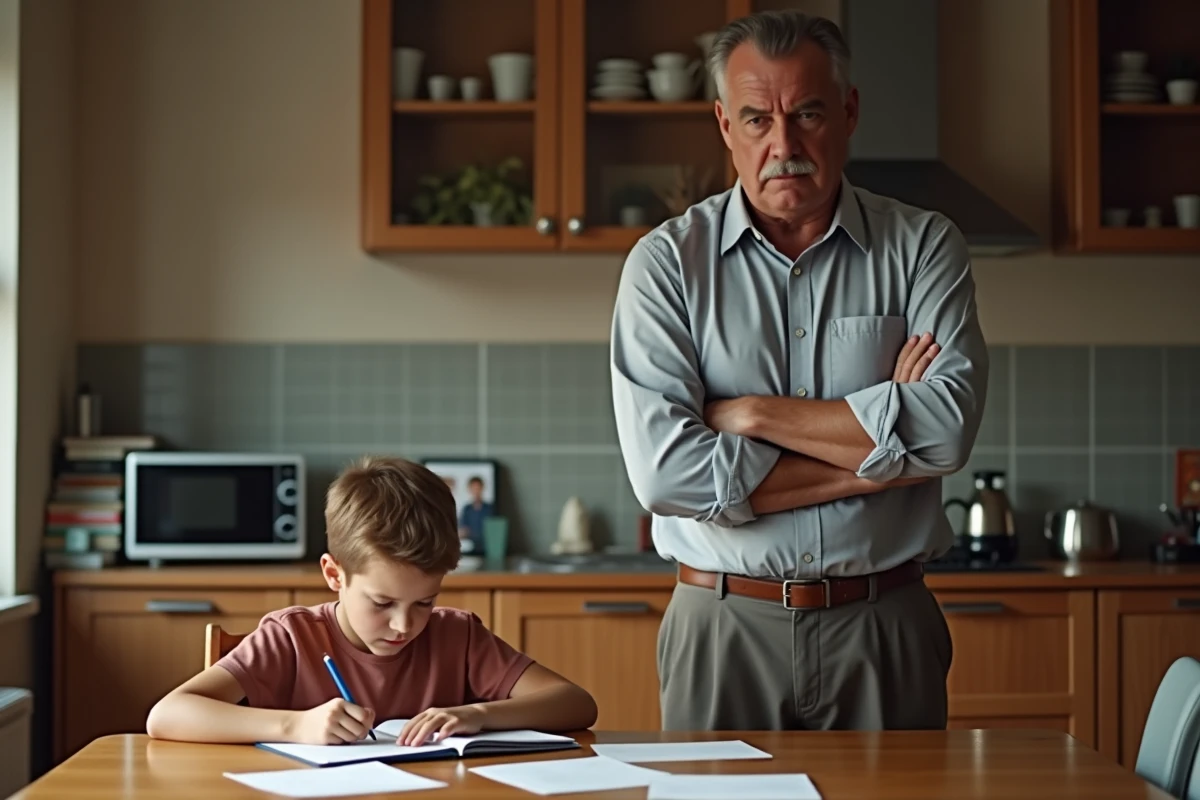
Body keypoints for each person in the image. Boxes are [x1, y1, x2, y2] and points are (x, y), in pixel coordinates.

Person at [610, 9, 988, 732]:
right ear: (725, 125)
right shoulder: (665, 266)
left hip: (886, 624)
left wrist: (747, 414)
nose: (783, 144)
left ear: (848, 111)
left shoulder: (923, 248)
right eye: (757, 119)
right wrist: (875, 458)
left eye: (807, 113)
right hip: (723, 623)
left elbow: (943, 437)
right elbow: (664, 477)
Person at [146, 456, 597, 746]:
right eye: (382, 603)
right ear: (333, 575)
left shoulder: (456, 636)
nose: (405, 625)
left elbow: (576, 703)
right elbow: (166, 716)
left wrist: (479, 714)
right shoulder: (291, 637)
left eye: (424, 602)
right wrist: (294, 726)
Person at [458, 475, 494, 552]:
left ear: (482, 488)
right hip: (471, 547)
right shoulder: (467, 509)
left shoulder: (490, 508)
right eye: (474, 488)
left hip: (487, 546)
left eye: (478, 488)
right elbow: (464, 529)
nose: (476, 491)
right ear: (469, 490)